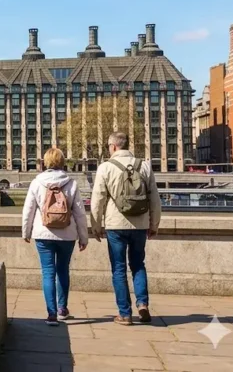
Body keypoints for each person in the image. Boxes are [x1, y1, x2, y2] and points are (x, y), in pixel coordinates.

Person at [91, 131, 161, 326]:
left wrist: (96, 226)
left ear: (113, 147)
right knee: (138, 265)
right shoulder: (144, 166)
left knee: (119, 269)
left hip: (115, 225)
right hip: (140, 224)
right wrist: (153, 224)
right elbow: (155, 198)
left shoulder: (106, 167)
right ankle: (142, 304)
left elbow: (98, 200)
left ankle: (125, 313)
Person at [22, 147, 89, 326]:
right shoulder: (71, 183)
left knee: (48, 273)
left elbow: (28, 210)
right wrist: (84, 237)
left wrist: (26, 232)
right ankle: (62, 309)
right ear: (62, 162)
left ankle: (51, 314)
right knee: (63, 271)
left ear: (45, 162)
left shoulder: (37, 182)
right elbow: (80, 213)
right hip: (67, 234)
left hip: (43, 233)